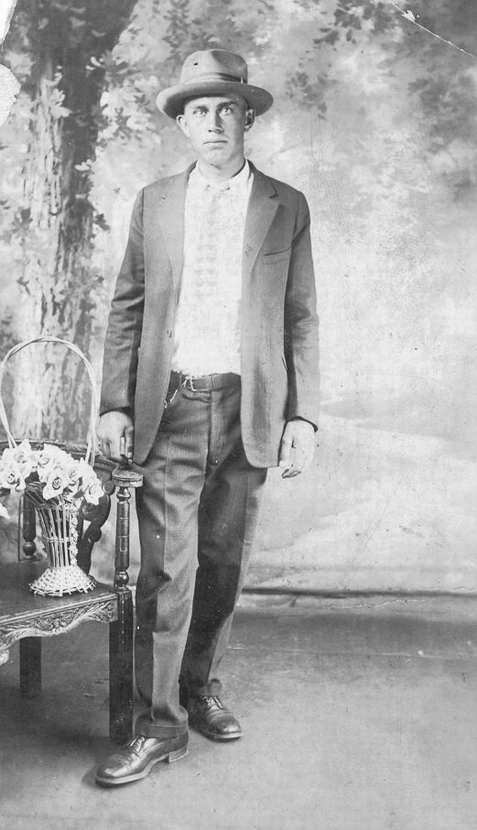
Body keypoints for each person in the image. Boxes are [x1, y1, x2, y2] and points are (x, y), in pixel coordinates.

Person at [95, 48, 319, 787]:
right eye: (199, 110)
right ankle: (157, 726)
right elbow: (127, 308)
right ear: (184, 124)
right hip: (171, 409)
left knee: (224, 566)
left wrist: (303, 417)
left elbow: (300, 317)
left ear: (247, 118)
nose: (214, 122)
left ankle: (199, 687)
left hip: (250, 409)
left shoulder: (286, 205)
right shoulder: (155, 202)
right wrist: (115, 405)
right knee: (167, 571)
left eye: (227, 108)